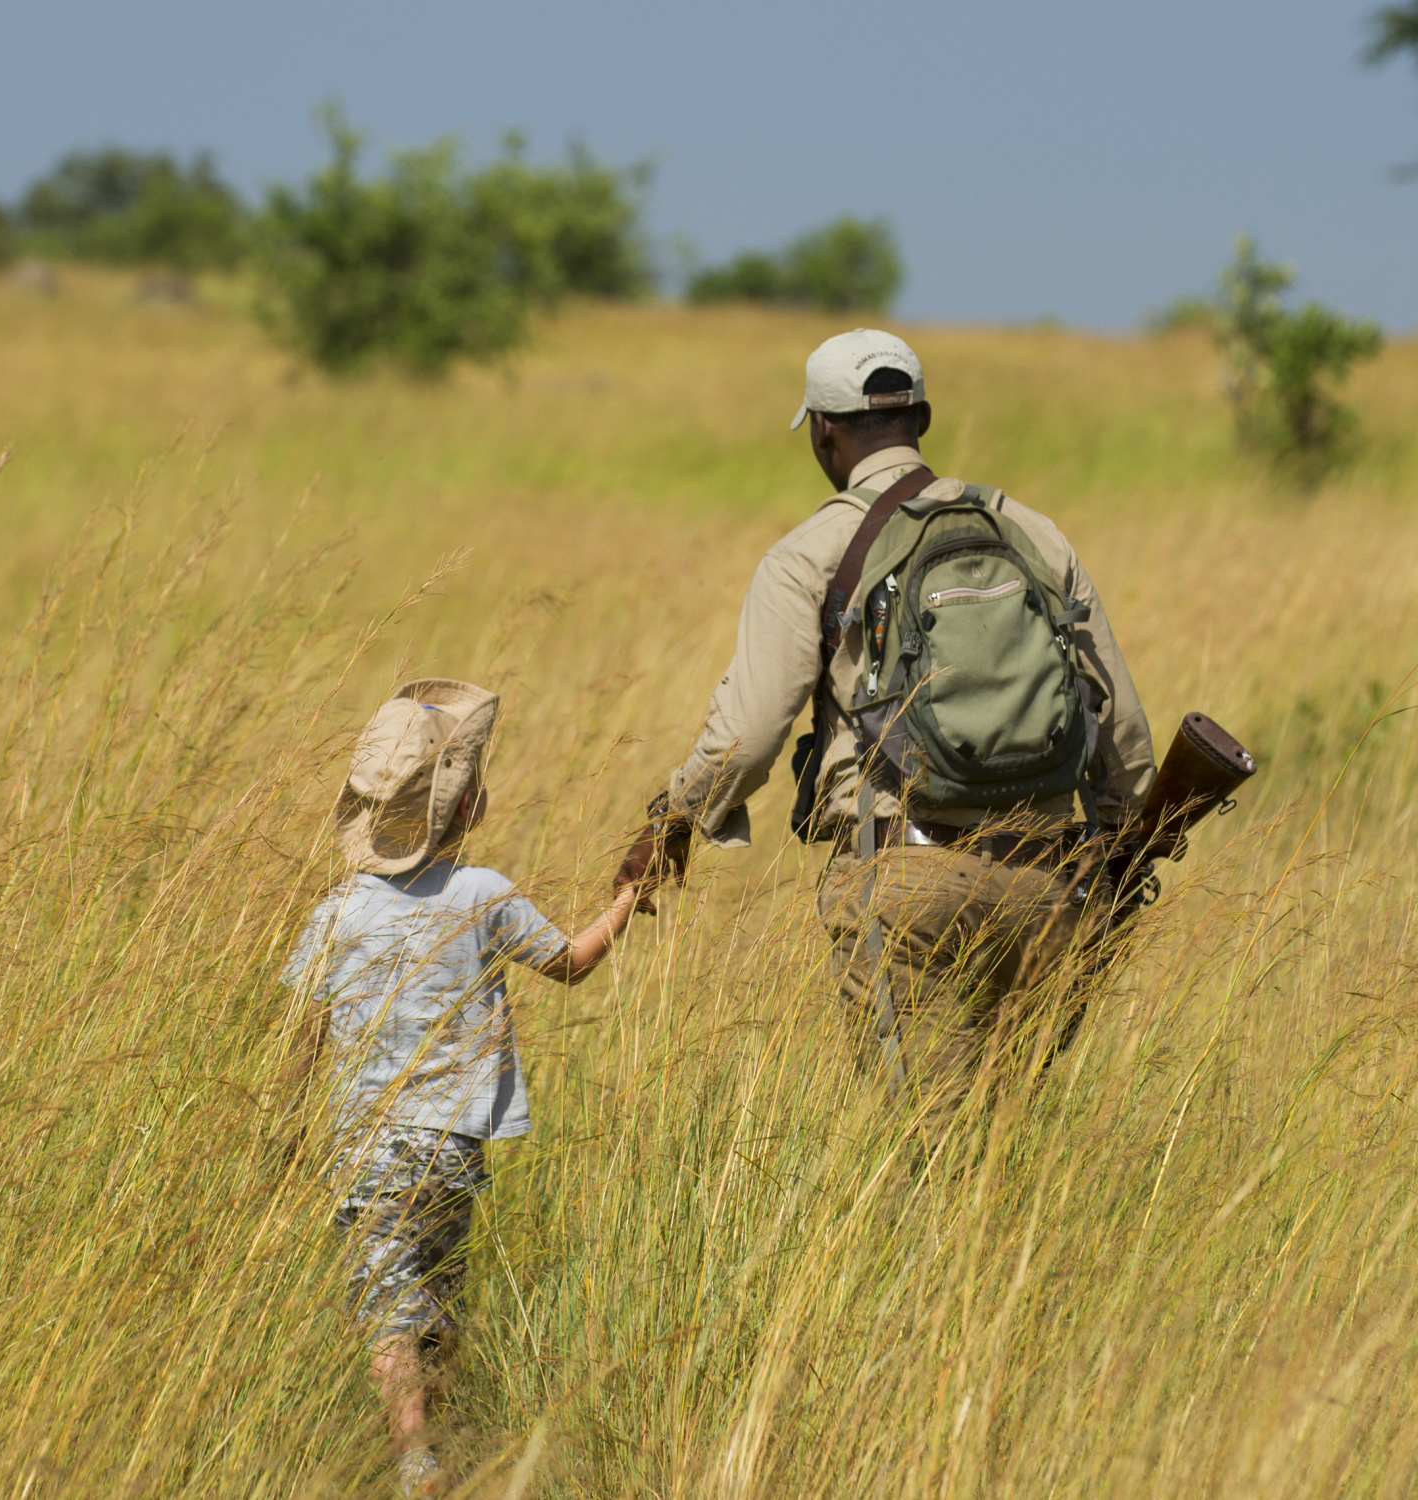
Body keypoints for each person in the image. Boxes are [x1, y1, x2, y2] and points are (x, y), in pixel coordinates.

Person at [622, 328, 1157, 1142]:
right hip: (1048, 885)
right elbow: (1118, 721)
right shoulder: (1033, 533)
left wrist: (676, 817)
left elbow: (753, 728)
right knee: (1006, 1140)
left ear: (822, 431)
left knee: (930, 1154)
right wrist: (1116, 851)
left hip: (902, 885)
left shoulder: (809, 554)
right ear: (924, 418)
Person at [284, 679, 642, 1499]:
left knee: (385, 1301)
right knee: (441, 1297)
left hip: (361, 1139)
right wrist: (626, 901)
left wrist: (291, 1120)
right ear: (471, 808)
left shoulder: (335, 910)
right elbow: (571, 965)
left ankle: (415, 1459)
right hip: (452, 1144)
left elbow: (304, 1033)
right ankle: (436, 1448)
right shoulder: (483, 894)